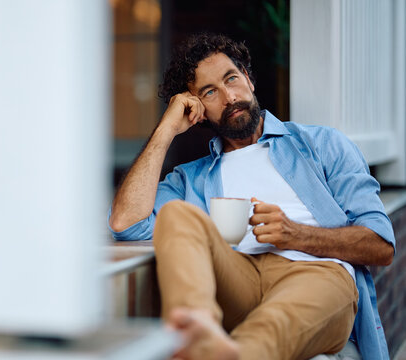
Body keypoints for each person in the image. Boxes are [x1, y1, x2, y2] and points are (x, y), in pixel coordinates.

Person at [108, 33, 395, 360]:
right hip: (237, 276)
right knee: (177, 214)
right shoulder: (194, 177)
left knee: (277, 320)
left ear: (248, 78)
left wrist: (296, 235)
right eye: (210, 92)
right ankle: (196, 329)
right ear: (197, 108)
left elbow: (380, 245)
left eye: (231, 79)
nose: (229, 97)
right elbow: (124, 222)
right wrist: (166, 130)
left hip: (318, 273)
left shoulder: (322, 144)